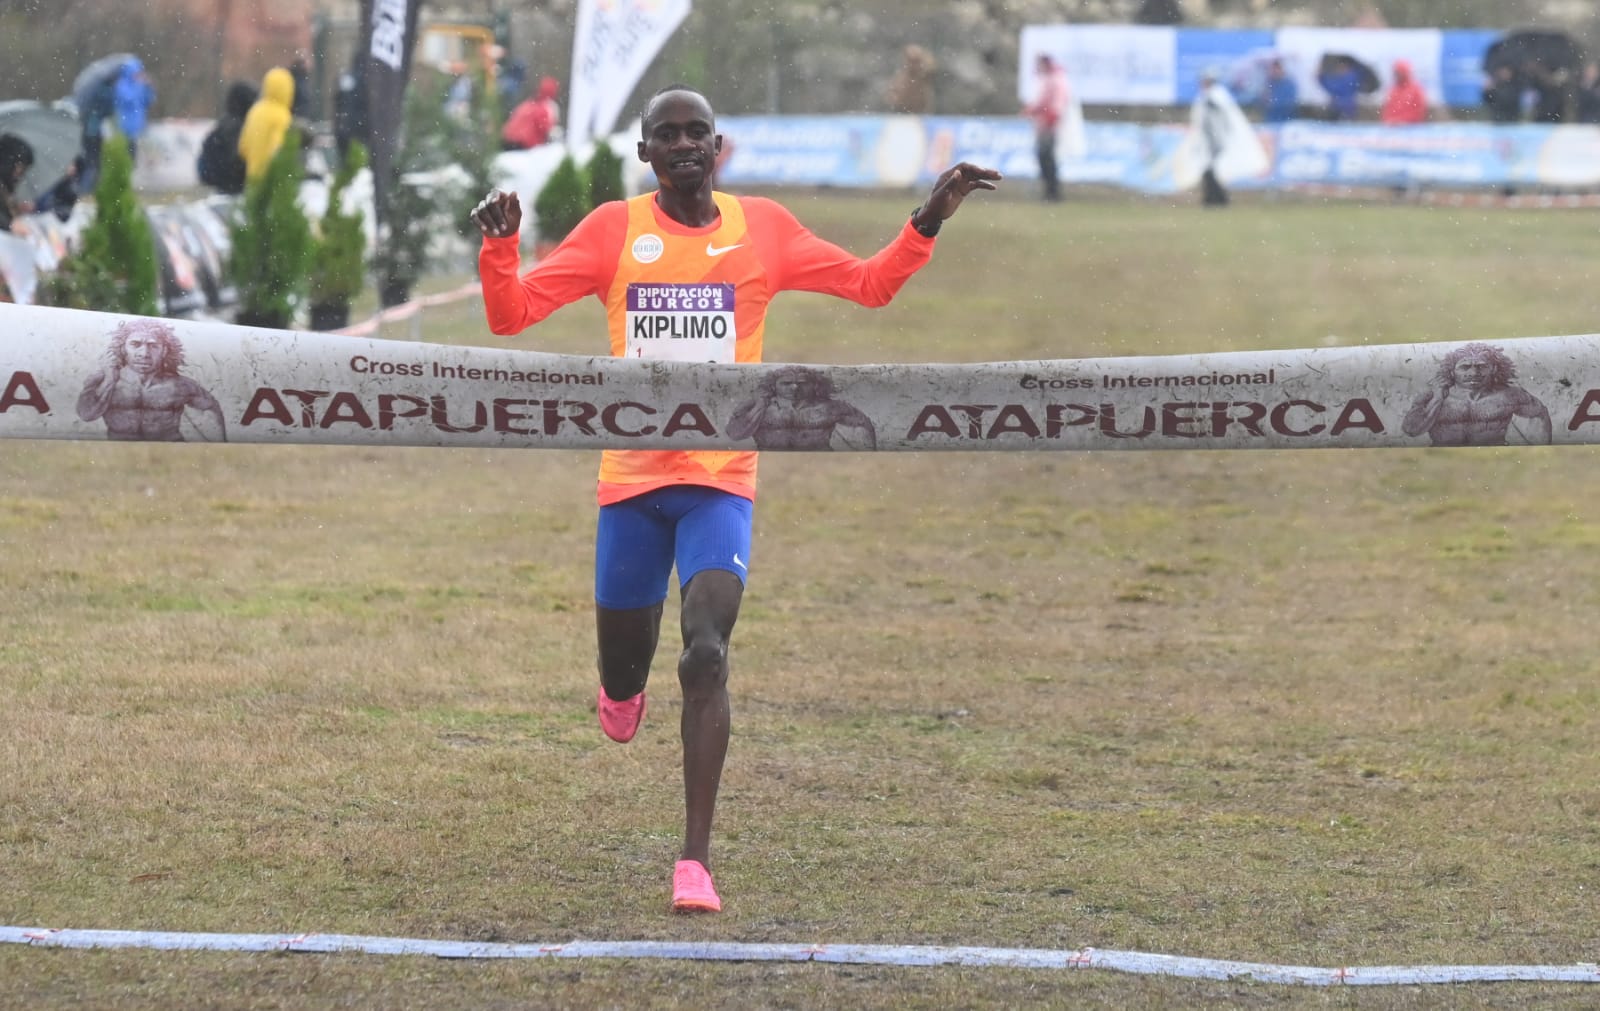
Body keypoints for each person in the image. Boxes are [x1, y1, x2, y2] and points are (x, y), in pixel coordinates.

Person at [470, 84, 999, 915]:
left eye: (697, 133)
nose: (684, 145)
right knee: (624, 666)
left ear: (719, 147)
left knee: (706, 651)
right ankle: (620, 686)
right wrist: (501, 251)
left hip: (720, 481)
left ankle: (694, 861)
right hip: (633, 487)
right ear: (645, 154)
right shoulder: (615, 232)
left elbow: (868, 286)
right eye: (666, 135)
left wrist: (927, 219)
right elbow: (513, 316)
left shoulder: (765, 230)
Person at [75, 319, 227, 442]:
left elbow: (211, 409)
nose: (144, 353)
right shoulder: (100, 380)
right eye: (135, 344)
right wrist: (109, 380)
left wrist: (220, 450)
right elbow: (86, 415)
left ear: (164, 351)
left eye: (153, 346)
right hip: (121, 456)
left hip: (171, 457)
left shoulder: (180, 385)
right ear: (123, 349)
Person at [1401, 343, 1552, 447]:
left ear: (1493, 369)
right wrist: (1438, 398)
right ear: (1452, 371)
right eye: (1465, 367)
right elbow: (1411, 430)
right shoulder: (1431, 395)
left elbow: (1540, 414)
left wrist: (1540, 450)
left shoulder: (1510, 395)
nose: (1473, 373)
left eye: (1481, 366)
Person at [726, 365, 877, 450]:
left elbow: (864, 425)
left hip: (819, 468)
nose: (794, 387)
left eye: (803, 383)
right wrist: (758, 408)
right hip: (769, 469)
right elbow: (734, 434)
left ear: (815, 385)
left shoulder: (831, 407)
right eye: (786, 383)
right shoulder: (757, 405)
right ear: (774, 386)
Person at [1186, 67, 1266, 207]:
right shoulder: (1210, 96)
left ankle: (1215, 199)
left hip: (1215, 140)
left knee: (1211, 170)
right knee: (1209, 170)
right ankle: (1214, 199)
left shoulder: (1215, 96)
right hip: (1210, 140)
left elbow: (1219, 116)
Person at [1021, 54, 1071, 202]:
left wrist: (1046, 115)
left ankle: (1052, 192)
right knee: (1044, 158)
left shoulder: (1055, 80)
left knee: (1047, 157)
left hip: (1050, 124)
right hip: (1044, 123)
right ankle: (1050, 192)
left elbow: (1055, 102)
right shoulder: (1047, 79)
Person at [237, 66, 296, 183]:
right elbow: (278, 150)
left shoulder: (255, 111)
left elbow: (243, 148)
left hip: (252, 178)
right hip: (271, 183)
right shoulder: (282, 116)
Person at [197, 81, 257, 195]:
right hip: (234, 188)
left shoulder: (224, 123)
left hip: (222, 187)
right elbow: (238, 159)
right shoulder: (240, 127)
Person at [112, 56, 156, 163]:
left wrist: (149, 87)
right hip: (124, 126)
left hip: (139, 126)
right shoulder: (121, 84)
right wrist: (140, 86)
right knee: (127, 154)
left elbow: (148, 101)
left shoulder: (140, 85)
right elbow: (128, 99)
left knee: (138, 154)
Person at [501, 76, 561, 150]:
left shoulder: (527, 104)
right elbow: (545, 129)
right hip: (523, 144)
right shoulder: (546, 108)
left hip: (507, 140)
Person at [0, 134, 35, 234]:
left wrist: (17, 208)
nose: (20, 172)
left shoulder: (6, 183)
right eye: (19, 166)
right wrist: (9, 224)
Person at [1380, 60, 1427, 125]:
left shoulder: (1416, 90)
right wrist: (1390, 121)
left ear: (1404, 73)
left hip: (1410, 127)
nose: (1396, 75)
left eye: (1398, 73)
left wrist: (1401, 121)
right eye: (1395, 73)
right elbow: (1387, 110)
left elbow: (1418, 112)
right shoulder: (1393, 90)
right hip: (1392, 126)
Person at [1317, 55, 1363, 121]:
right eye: (1339, 66)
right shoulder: (1339, 78)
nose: (1340, 68)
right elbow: (1329, 86)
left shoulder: (1351, 77)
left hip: (1346, 109)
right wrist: (1321, 77)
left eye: (1342, 66)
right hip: (1336, 108)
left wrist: (1321, 77)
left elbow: (1332, 86)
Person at [1257, 58, 1299, 124]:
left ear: (1281, 69)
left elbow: (1289, 102)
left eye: (1276, 69)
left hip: (1286, 120)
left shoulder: (1289, 83)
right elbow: (1261, 101)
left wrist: (1271, 101)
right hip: (1270, 121)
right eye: (1272, 69)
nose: (1274, 71)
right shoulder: (1269, 83)